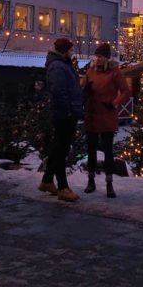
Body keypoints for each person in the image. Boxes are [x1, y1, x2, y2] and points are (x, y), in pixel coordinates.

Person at [81, 43, 131, 198]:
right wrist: (85, 88)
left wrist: (115, 103)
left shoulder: (115, 72)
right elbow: (82, 86)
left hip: (107, 114)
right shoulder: (91, 70)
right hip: (92, 114)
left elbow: (126, 91)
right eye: (97, 56)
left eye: (101, 56)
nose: (98, 59)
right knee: (91, 150)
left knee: (108, 151)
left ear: (107, 58)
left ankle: (109, 183)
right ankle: (91, 180)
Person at [39, 38, 83, 202]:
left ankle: (47, 180)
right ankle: (63, 187)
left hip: (67, 112)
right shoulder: (58, 66)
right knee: (61, 149)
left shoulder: (63, 64)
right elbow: (59, 91)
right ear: (65, 50)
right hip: (64, 114)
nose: (72, 52)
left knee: (59, 147)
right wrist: (68, 112)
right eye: (70, 49)